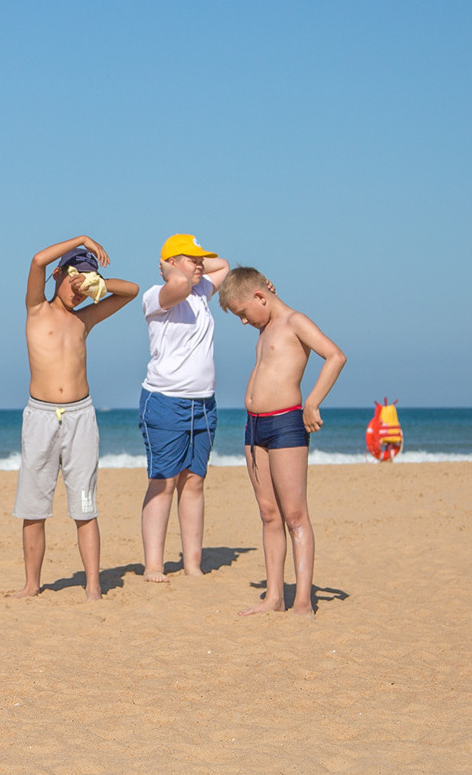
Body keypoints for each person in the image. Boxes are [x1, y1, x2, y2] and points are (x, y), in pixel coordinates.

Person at [215, 268, 345, 616]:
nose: (243, 321)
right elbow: (244, 283)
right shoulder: (266, 324)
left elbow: (335, 356)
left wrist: (313, 402)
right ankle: (274, 597)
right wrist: (260, 293)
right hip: (254, 428)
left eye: (243, 313)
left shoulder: (294, 321)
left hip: (286, 423)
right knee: (268, 514)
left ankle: (303, 600)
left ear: (260, 297)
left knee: (295, 515)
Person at [13, 240, 138, 600]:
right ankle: (31, 584)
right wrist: (82, 240)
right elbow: (37, 260)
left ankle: (93, 585)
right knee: (33, 505)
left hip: (81, 416)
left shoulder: (86, 318)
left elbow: (131, 291)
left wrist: (98, 283)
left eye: (88, 284)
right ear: (59, 275)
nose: (80, 290)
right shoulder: (36, 309)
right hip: (40, 416)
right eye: (75, 281)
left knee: (85, 505)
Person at [139, 235, 231, 582]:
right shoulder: (156, 296)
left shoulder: (200, 291)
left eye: (199, 261)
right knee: (163, 482)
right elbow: (176, 285)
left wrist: (193, 265)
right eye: (192, 260)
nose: (199, 265)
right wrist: (173, 268)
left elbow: (225, 265)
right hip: (165, 401)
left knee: (194, 482)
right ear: (173, 262)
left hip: (203, 404)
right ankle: (154, 566)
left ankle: (192, 564)